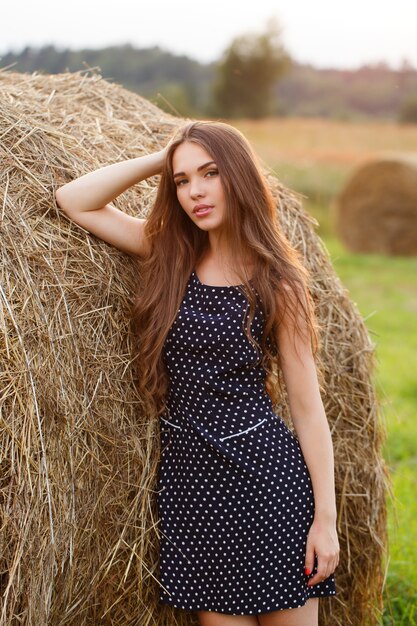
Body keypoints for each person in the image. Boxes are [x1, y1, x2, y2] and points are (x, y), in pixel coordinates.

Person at [55, 120, 340, 626]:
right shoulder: (170, 256)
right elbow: (75, 200)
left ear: (239, 177)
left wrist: (325, 519)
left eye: (209, 173)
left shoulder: (279, 284)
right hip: (193, 489)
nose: (195, 192)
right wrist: (161, 158)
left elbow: (307, 409)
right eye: (182, 180)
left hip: (267, 484)